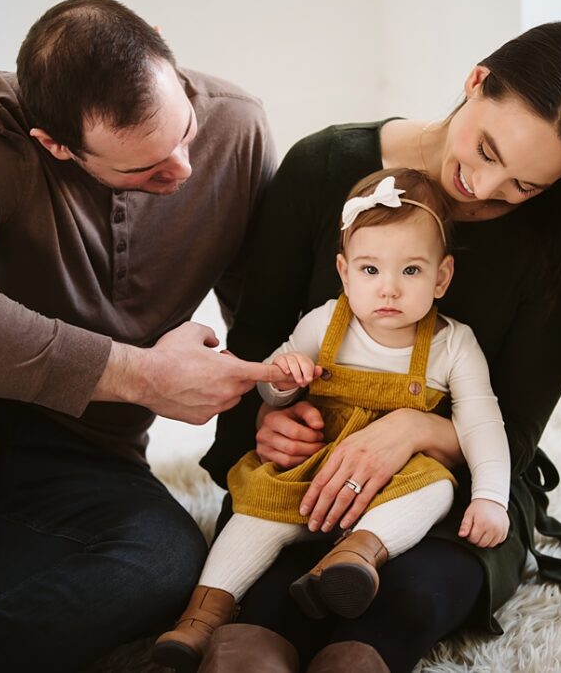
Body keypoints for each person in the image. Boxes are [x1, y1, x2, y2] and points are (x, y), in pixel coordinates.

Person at [198, 21, 561, 672]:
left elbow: (512, 432)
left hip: (457, 484)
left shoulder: (557, 247)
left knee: (396, 603)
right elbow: (257, 337)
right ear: (476, 80)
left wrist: (415, 431)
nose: (484, 190)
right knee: (260, 599)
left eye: (525, 185)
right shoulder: (325, 167)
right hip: (311, 468)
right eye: (486, 151)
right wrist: (271, 416)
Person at [0, 0, 282, 672]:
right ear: (56, 146)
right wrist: (141, 375)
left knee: (168, 562)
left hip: (79, 465)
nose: (182, 169)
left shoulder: (238, 126)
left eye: (183, 133)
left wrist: (277, 407)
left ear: (162, 45)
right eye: (144, 168)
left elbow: (263, 320)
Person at [152, 169, 511, 671]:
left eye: (410, 271)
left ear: (442, 277)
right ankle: (201, 617)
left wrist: (492, 497)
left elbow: (481, 422)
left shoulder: (453, 343)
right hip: (312, 464)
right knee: (255, 511)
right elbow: (271, 390)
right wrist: (283, 381)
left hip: (396, 475)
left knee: (437, 487)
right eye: (370, 271)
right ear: (343, 272)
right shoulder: (323, 323)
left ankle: (356, 557)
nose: (388, 289)